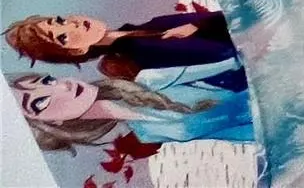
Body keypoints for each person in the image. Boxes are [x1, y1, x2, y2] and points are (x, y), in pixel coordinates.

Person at [11, 69, 253, 154]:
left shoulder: (150, 79)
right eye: (41, 102)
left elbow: (232, 60)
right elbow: (241, 137)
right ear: (54, 122)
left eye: (47, 80)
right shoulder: (148, 134)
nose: (63, 85)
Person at [3, 8, 243, 84]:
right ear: (77, 51)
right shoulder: (141, 49)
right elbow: (224, 55)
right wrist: (200, 27)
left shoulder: (140, 29)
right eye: (63, 37)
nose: (73, 25)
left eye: (59, 21)